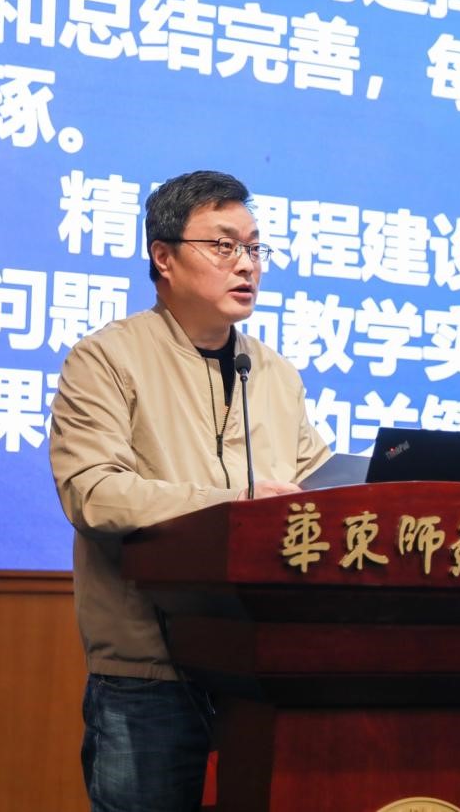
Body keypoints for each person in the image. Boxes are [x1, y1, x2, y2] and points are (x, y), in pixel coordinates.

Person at [49, 170, 330, 811]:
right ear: (163, 256)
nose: (247, 264)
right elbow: (93, 493)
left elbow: (311, 488)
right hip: (150, 675)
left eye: (254, 247)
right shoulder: (106, 359)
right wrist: (232, 505)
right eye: (224, 245)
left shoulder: (274, 372)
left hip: (262, 671)